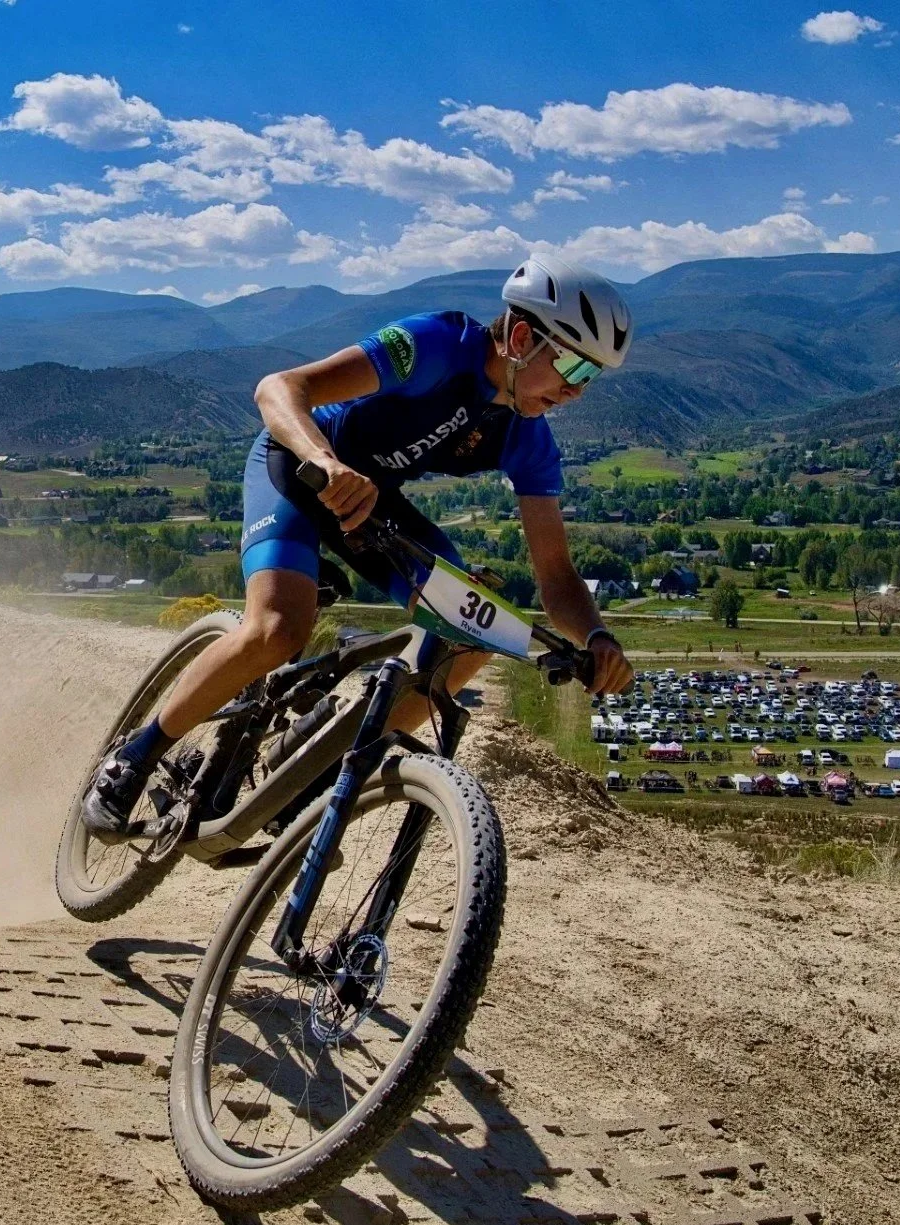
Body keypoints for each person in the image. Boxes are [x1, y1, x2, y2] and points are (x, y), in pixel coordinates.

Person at [83, 254, 638, 838]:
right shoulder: (437, 345)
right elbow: (280, 388)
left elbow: (556, 574)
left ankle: (312, 778)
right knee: (277, 629)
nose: (577, 390)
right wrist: (324, 461)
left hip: (371, 504)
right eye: (574, 365)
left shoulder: (529, 437)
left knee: (473, 639)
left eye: (591, 377)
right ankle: (134, 757)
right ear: (522, 336)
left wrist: (596, 637)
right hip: (299, 466)